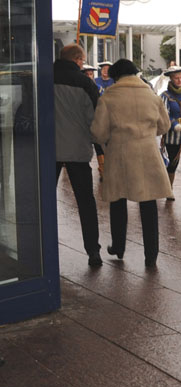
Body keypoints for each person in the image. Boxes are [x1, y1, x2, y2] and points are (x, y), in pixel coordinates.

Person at [90, 59, 171, 268]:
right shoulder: (152, 96)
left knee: (118, 200)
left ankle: (118, 246)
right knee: (149, 205)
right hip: (148, 153)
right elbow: (164, 126)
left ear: (116, 76)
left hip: (120, 154)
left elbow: (99, 133)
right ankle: (151, 255)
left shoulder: (108, 97)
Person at [53, 43, 103, 267]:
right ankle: (93, 251)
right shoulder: (85, 83)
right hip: (78, 150)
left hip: (49, 150)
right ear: (77, 60)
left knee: (44, 200)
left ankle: (43, 250)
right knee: (85, 202)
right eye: (82, 60)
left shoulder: (45, 78)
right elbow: (95, 118)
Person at [159, 65, 181, 201]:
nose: (179, 80)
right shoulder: (165, 96)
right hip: (173, 136)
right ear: (171, 79)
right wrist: (174, 125)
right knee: (173, 163)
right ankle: (169, 190)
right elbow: (164, 115)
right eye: (176, 78)